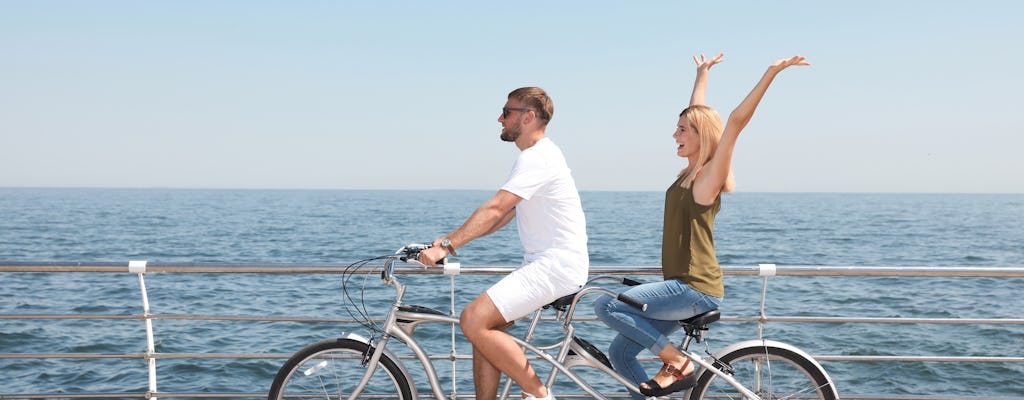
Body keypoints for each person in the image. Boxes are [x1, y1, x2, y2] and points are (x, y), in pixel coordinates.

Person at [593, 53, 809, 398]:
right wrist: (702, 74)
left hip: (694, 289)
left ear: (700, 137)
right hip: (677, 287)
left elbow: (735, 122)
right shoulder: (690, 174)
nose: (674, 134)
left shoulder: (708, 178)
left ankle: (678, 363)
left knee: (606, 304)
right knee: (620, 352)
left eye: (681, 130)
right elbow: (697, 113)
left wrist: (770, 73)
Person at [418, 87, 589, 400]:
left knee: (473, 319)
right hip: (549, 263)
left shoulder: (537, 157)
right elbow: (502, 216)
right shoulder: (538, 156)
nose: (500, 118)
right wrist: (449, 239)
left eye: (506, 112)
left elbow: (496, 207)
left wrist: (447, 246)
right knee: (486, 332)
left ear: (528, 116)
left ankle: (539, 394)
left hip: (555, 264)